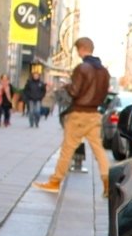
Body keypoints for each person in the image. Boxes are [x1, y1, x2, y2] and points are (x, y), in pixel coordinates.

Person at [33, 36, 111, 197]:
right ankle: (107, 180)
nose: (78, 54)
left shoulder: (82, 68)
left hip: (79, 114)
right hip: (94, 114)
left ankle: (55, 181)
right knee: (98, 149)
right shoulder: (104, 72)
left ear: (82, 49)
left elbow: (75, 91)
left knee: (68, 148)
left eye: (78, 50)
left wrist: (67, 86)